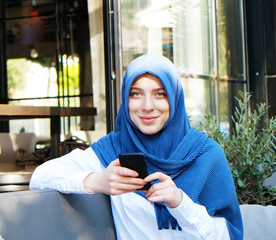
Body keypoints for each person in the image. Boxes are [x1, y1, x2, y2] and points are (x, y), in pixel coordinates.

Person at [29, 54, 243, 239]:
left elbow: (228, 236)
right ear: (125, 98)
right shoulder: (113, 150)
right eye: (136, 94)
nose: (147, 106)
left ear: (174, 98)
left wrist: (179, 202)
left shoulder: (206, 155)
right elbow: (40, 177)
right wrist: (97, 181)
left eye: (160, 94)